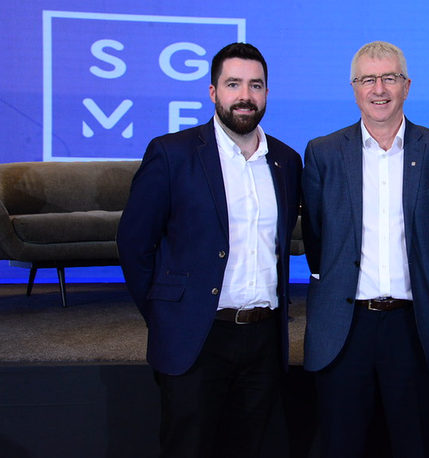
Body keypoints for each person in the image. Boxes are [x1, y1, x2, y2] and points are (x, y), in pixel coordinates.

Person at [117, 42, 302, 458]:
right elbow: (134, 243)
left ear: (267, 93)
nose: (245, 95)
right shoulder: (172, 153)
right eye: (233, 84)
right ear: (213, 92)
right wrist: (167, 314)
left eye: (256, 85)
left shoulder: (286, 161)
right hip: (196, 339)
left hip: (264, 340)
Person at [300, 41, 429, 458]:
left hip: (414, 326)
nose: (379, 89)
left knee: (417, 445)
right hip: (344, 327)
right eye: (367, 79)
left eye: (389, 78)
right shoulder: (323, 153)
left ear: (406, 86)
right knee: (341, 445)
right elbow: (316, 237)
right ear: (354, 88)